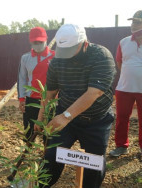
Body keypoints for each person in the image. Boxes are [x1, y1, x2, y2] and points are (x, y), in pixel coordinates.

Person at [35, 24, 116, 187]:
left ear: (84, 44)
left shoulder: (101, 56)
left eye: (71, 51)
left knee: (94, 165)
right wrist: (40, 116)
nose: (67, 57)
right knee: (51, 156)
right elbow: (50, 92)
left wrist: (65, 117)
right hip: (65, 116)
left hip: (96, 121)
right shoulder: (57, 61)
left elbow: (94, 93)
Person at [109, 10, 142, 157]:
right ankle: (121, 145)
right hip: (124, 88)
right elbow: (119, 61)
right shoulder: (124, 42)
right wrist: (130, 76)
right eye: (132, 22)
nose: (132, 25)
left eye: (137, 22)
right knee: (121, 117)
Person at [17, 27, 55, 141]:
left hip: (51, 100)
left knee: (49, 134)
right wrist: (21, 99)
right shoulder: (25, 58)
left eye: (40, 42)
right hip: (32, 100)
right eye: (35, 42)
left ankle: (47, 156)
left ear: (46, 40)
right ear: (30, 41)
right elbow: (22, 79)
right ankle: (28, 154)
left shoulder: (55, 57)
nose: (38, 44)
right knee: (29, 131)